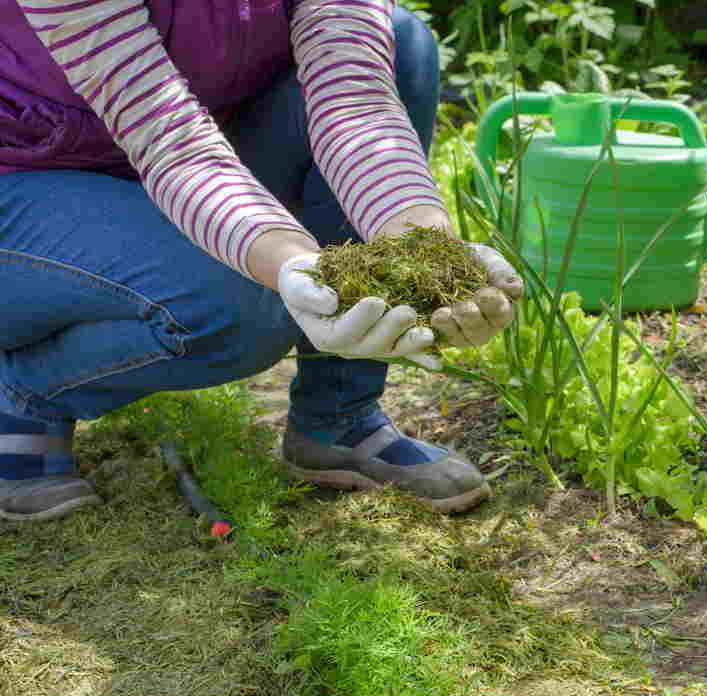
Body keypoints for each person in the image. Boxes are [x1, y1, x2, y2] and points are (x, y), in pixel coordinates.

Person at [0, 0, 523, 521]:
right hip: (28, 178)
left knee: (399, 43)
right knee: (243, 300)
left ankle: (339, 417)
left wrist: (427, 247)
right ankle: (24, 391)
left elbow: (355, 103)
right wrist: (293, 266)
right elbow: (169, 140)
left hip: (187, 150)